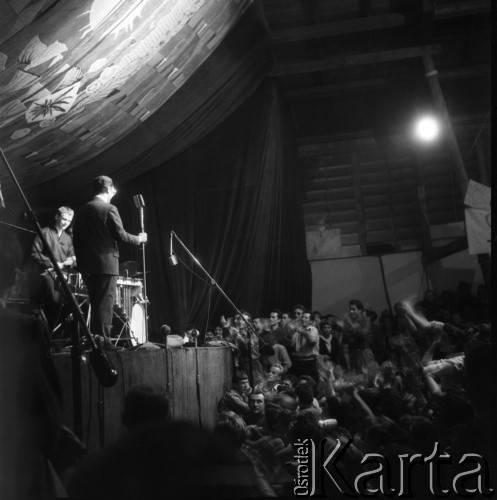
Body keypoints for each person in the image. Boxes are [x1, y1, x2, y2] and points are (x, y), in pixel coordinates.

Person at [73, 176, 147, 349]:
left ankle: (95, 341)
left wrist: (81, 264)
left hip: (88, 266)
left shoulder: (82, 211)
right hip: (106, 265)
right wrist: (139, 238)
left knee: (96, 304)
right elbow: (120, 234)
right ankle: (104, 343)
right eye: (113, 189)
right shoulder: (109, 208)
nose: (114, 192)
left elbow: (76, 239)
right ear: (108, 189)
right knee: (105, 305)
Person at [29, 206, 77, 328]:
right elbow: (34, 253)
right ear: (56, 217)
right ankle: (45, 336)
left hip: (63, 277)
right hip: (47, 275)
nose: (66, 223)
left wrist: (72, 260)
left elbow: (72, 257)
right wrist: (54, 264)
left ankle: (63, 339)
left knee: (74, 307)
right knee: (54, 303)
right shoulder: (44, 232)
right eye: (64, 219)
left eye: (69, 221)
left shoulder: (68, 239)